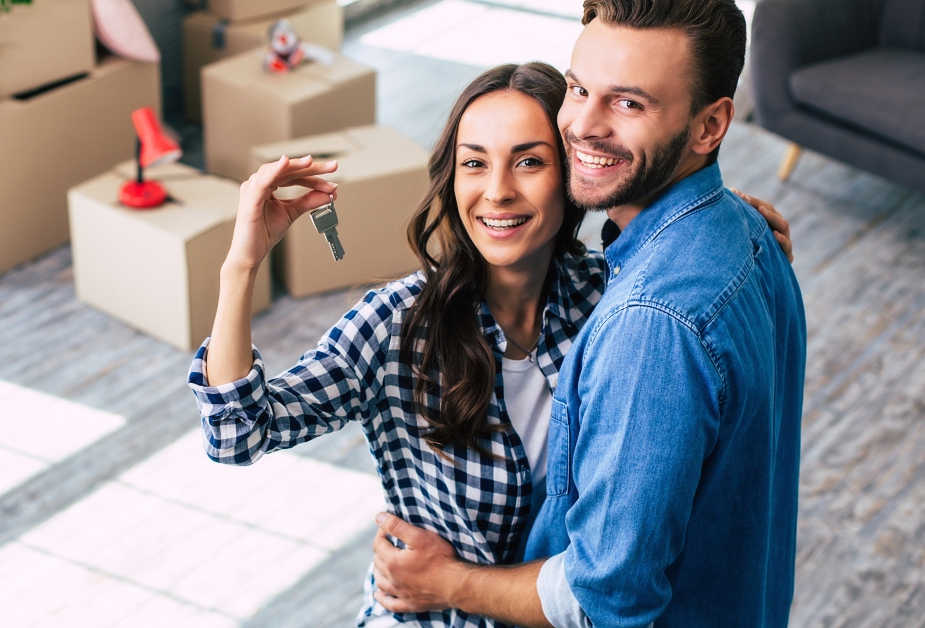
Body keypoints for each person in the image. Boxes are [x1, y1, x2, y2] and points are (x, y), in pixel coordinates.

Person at [189, 64, 791, 628]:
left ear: (573, 172)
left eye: (528, 163)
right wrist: (240, 266)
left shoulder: (612, 297)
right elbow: (238, 432)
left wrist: (730, 222)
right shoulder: (396, 324)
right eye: (473, 164)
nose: (497, 191)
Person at [369, 1, 807, 628]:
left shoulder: (652, 328)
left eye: (630, 104)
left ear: (709, 126)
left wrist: (448, 581)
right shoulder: (749, 235)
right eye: (578, 89)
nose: (580, 126)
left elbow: (604, 600)